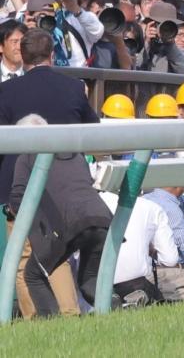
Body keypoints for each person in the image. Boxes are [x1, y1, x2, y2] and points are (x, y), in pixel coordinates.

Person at [0, 28, 99, 318]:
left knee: (23, 257)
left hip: (19, 186)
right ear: (52, 55)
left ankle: (37, 321)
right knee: (58, 253)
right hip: (64, 185)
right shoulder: (72, 88)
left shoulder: (6, 91)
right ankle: (69, 314)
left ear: (23, 56)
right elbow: (94, 133)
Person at [9, 114, 113, 317]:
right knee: (89, 280)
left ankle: (52, 325)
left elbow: (18, 198)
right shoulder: (74, 153)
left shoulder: (27, 156)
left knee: (33, 274)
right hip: (102, 218)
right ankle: (115, 309)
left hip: (69, 223)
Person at [99, 193, 177, 306]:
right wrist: (150, 251)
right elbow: (170, 259)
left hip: (93, 290)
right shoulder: (151, 207)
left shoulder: (89, 203)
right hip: (137, 288)